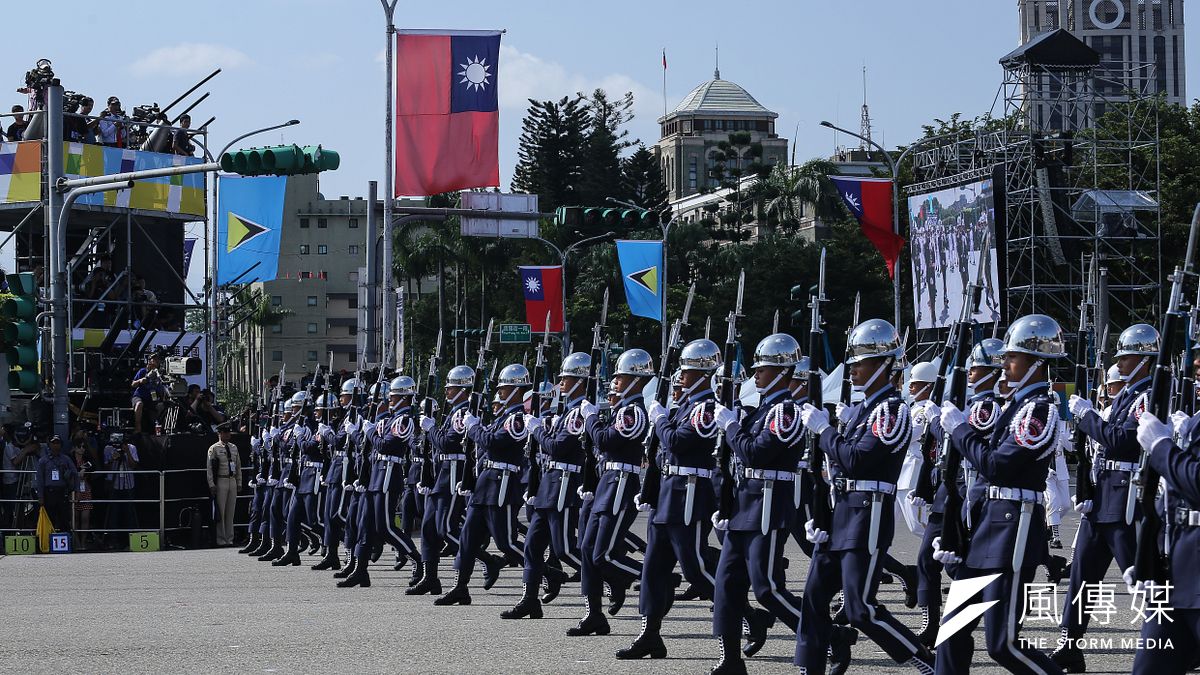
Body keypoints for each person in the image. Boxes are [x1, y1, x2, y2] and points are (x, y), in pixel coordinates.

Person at [796, 319, 934, 674]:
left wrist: (824, 431)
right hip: (841, 513)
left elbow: (857, 458)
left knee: (860, 608)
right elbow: (838, 465)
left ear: (885, 365)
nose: (853, 369)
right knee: (813, 600)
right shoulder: (861, 410)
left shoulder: (892, 409)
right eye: (853, 362)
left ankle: (924, 659)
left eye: (862, 362)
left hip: (867, 515)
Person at [933, 314, 1066, 674]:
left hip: (1014, 530)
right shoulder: (1015, 406)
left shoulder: (1039, 410)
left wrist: (960, 431)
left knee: (1002, 643)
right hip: (989, 528)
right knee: (953, 628)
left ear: (1037, 364)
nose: (1004, 364)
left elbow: (997, 466)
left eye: (1012, 357)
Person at [1053, 323, 1158, 672]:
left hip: (1126, 501)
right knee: (1082, 577)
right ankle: (1070, 644)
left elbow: (1122, 440)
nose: (1121, 363)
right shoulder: (1126, 394)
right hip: (1101, 499)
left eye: (1127, 357)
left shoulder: (1148, 397)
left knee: (1145, 579)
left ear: (1144, 359)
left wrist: (1086, 416)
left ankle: (1181, 641)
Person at [709, 334, 810, 671]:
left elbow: (755, 453)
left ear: (782, 372)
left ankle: (826, 635)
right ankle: (731, 659)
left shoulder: (786, 412)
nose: (756, 376)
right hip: (743, 505)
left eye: (763, 370)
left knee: (767, 589)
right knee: (726, 586)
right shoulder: (762, 410)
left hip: (768, 506)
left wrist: (732, 426)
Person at [617, 339, 721, 661]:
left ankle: (744, 614)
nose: (681, 376)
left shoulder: (706, 409)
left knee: (695, 569)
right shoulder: (685, 407)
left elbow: (679, 441)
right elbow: (663, 453)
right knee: (653, 569)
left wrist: (659, 420)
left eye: (687, 372)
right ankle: (649, 634)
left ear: (703, 374)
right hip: (667, 496)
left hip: (689, 496)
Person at [568, 350, 653, 637]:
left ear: (635, 380)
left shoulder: (634, 412)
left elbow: (606, 440)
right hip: (606, 482)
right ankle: (594, 614)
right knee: (587, 552)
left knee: (602, 554)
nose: (615, 381)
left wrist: (591, 419)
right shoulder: (619, 410)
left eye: (620, 377)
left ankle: (652, 577)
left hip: (620, 484)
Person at [435, 364, 531, 606]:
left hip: (502, 484)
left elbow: (492, 442)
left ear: (516, 390)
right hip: (484, 484)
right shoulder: (503, 417)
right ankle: (460, 587)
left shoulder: (518, 419)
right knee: (467, 538)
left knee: (505, 543)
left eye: (504, 388)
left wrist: (473, 426)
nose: (500, 392)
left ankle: (547, 573)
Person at [103, 433, 140, 548]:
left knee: (129, 512)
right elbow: (105, 467)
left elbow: (133, 465)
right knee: (113, 513)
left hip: (128, 485)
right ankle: (113, 540)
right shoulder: (108, 449)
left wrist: (127, 451)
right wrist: (112, 459)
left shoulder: (132, 447)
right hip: (114, 485)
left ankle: (131, 540)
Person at [207, 424, 242, 547]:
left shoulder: (234, 448)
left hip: (231, 480)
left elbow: (238, 466)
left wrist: (239, 482)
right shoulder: (214, 448)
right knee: (220, 512)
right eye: (224, 432)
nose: (227, 435)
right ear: (219, 434)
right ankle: (221, 539)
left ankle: (230, 538)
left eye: (228, 432)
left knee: (230, 512)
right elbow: (210, 468)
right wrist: (211, 484)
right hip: (221, 480)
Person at [35, 436, 78, 534]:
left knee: (64, 519)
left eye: (57, 443)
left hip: (62, 492)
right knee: (50, 518)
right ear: (49, 445)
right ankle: (49, 542)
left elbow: (75, 474)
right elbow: (40, 479)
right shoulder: (43, 460)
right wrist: (40, 496)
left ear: (61, 445)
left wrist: (77, 490)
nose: (55, 445)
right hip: (49, 493)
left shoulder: (66, 459)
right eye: (53, 443)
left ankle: (66, 541)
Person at [131, 353, 168, 433]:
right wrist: (140, 380)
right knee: (139, 404)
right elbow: (133, 384)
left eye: (157, 360)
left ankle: (161, 429)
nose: (155, 362)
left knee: (162, 406)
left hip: (153, 399)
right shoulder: (143, 371)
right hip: (140, 396)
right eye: (153, 360)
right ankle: (137, 427)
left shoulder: (160, 375)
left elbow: (162, 388)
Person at [70, 437, 96, 549]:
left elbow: (94, 468)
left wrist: (86, 470)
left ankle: (83, 542)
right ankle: (76, 542)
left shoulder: (88, 459)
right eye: (80, 447)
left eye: (84, 447)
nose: (82, 449)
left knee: (85, 518)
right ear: (74, 448)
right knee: (74, 518)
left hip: (86, 489)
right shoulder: (69, 459)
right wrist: (77, 472)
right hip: (74, 491)